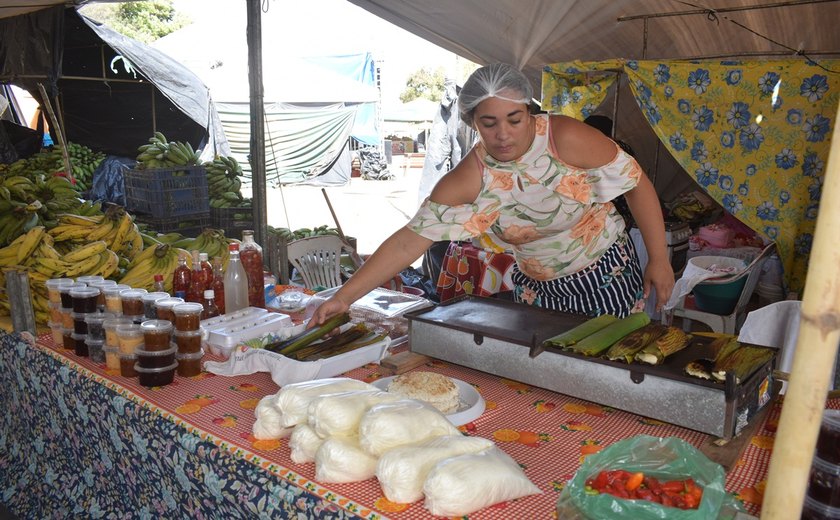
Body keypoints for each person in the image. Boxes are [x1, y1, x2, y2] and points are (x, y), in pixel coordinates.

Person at [311, 63, 674, 326]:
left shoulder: (565, 138)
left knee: (606, 369)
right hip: (535, 285)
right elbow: (410, 242)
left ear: (530, 112)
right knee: (546, 375)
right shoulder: (470, 178)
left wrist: (658, 259)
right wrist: (343, 298)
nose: (503, 134)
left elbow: (636, 183)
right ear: (472, 121)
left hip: (604, 272)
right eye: (489, 123)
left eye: (514, 119)